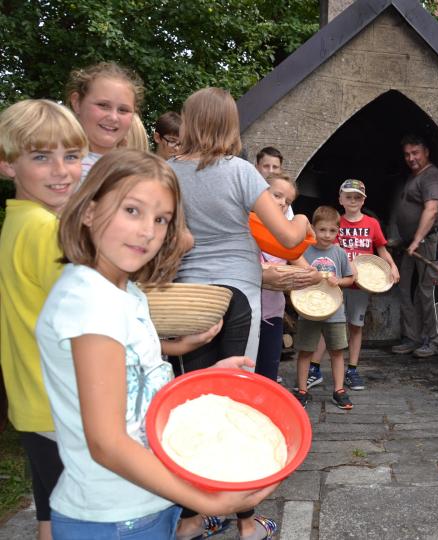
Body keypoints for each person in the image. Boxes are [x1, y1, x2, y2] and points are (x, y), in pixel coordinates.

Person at [35, 149, 277, 540]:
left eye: (161, 218)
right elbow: (107, 443)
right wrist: (209, 502)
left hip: (143, 506)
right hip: (112, 518)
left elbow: (139, 383)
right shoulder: (90, 303)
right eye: (132, 210)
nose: (148, 230)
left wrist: (200, 385)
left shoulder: (123, 291)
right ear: (89, 210)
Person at [168, 88, 308, 539]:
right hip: (238, 296)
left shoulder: (168, 174)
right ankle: (246, 524)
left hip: (188, 297)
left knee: (191, 404)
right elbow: (286, 238)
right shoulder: (241, 172)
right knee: (238, 402)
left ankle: (191, 518)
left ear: (189, 123)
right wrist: (304, 223)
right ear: (230, 124)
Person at [0, 99, 87, 540]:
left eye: (71, 156)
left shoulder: (17, 221)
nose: (61, 170)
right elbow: (89, 323)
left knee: (52, 512)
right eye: (40, 156)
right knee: (81, 517)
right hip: (63, 401)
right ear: (7, 163)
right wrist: (173, 346)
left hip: (33, 399)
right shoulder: (46, 230)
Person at [305, 179, 401, 390]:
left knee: (356, 327)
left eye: (357, 197)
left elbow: (382, 249)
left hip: (361, 286)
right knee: (327, 324)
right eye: (348, 197)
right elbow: (333, 248)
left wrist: (392, 266)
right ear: (340, 199)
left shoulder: (372, 224)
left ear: (363, 199)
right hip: (336, 284)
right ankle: (314, 368)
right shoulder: (336, 222)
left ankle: (353, 369)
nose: (353, 201)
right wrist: (348, 267)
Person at [291, 206, 356, 410]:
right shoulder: (305, 250)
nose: (327, 235)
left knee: (336, 351)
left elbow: (351, 277)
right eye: (322, 230)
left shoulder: (339, 253)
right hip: (308, 309)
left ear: (338, 231)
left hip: (334, 310)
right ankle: (302, 390)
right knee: (305, 351)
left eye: (332, 231)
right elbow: (294, 272)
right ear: (312, 228)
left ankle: (339, 390)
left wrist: (339, 281)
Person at [390, 134, 438, 358]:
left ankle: (434, 342)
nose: (411, 158)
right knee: (405, 288)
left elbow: (431, 210)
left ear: (426, 152)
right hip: (411, 244)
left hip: (429, 241)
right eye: (407, 154)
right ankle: (412, 338)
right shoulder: (415, 176)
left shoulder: (432, 177)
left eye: (415, 153)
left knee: (429, 290)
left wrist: (416, 240)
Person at [256, 172, 313, 383]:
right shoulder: (246, 225)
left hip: (273, 314)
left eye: (287, 201)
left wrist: (316, 276)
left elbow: (299, 261)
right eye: (277, 196)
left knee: (267, 375)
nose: (281, 203)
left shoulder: (284, 234)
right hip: (246, 314)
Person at [66, 61, 143, 179]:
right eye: (103, 105)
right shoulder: (57, 166)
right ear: (76, 102)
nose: (113, 117)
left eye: (123, 110)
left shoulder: (137, 173)